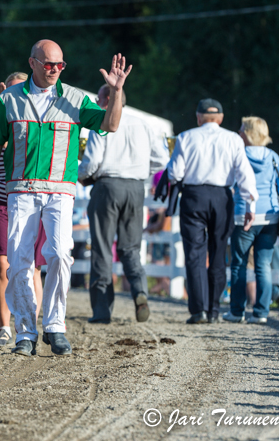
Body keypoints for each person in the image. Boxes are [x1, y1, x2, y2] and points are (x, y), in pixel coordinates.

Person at [0, 41, 130, 357]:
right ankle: (25, 331)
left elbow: (110, 124)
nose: (55, 70)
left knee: (61, 254)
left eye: (60, 65)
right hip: (20, 190)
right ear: (32, 63)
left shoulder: (75, 98)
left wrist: (116, 93)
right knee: (19, 261)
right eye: (49, 64)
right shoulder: (9, 99)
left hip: (60, 190)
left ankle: (55, 326)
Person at [78, 85, 169, 324]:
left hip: (107, 186)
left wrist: (79, 175)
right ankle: (140, 292)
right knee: (130, 248)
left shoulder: (104, 121)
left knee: (102, 248)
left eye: (98, 99)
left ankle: (102, 310)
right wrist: (137, 171)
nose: (97, 104)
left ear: (108, 99)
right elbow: (161, 159)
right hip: (135, 188)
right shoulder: (144, 124)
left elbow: (93, 162)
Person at [167, 99, 257, 324]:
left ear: (198, 117)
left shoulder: (186, 137)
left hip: (194, 197)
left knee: (195, 253)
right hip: (221, 198)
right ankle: (214, 310)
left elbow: (175, 174)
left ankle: (199, 310)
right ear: (221, 118)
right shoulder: (233, 139)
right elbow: (244, 173)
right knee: (217, 253)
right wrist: (250, 204)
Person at [0, 72, 45, 349]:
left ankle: (30, 324)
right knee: (2, 265)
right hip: (3, 201)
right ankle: (4, 325)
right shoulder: (3, 114)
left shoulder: (33, 118)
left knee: (32, 267)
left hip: (32, 201)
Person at [222, 116, 278, 324]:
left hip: (242, 215)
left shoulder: (238, 155)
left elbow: (229, 183)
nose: (238, 133)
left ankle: (237, 312)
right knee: (263, 265)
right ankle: (261, 313)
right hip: (270, 218)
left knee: (239, 264)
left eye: (241, 129)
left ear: (247, 133)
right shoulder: (273, 157)